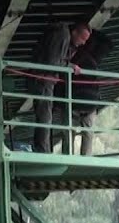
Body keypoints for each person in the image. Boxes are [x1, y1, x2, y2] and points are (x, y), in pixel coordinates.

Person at [32, 21, 92, 153]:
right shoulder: (62, 35)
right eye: (82, 38)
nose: (83, 43)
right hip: (44, 78)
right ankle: (42, 151)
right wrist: (70, 66)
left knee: (45, 114)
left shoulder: (62, 35)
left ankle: (41, 148)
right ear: (74, 32)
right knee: (45, 115)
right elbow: (53, 62)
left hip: (45, 78)